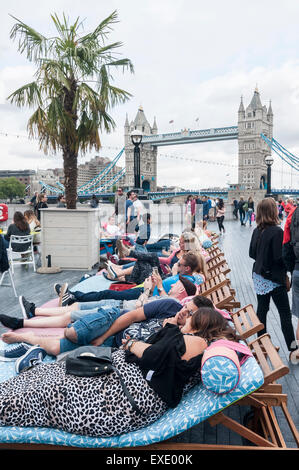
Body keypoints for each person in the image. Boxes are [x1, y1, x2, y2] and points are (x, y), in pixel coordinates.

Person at [0, 307, 241, 438]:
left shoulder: (195, 342)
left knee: (49, 390)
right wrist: (168, 329)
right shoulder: (191, 340)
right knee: (51, 375)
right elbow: (159, 355)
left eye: (191, 316)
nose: (186, 316)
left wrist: (130, 345)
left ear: (201, 324)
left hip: (120, 402)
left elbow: (153, 356)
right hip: (123, 389)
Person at [249, 197, 298, 361]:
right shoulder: (277, 231)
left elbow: (251, 253)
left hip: (258, 276)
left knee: (262, 309)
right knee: (284, 313)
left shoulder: (257, 230)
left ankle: (261, 343)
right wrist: (286, 274)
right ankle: (292, 348)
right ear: (273, 211)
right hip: (274, 278)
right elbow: (280, 258)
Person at [282, 205, 299, 363]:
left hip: (297, 269)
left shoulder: (293, 215)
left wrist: (290, 268)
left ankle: (297, 348)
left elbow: (286, 245)